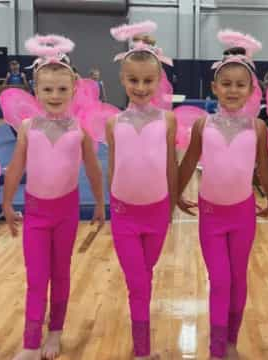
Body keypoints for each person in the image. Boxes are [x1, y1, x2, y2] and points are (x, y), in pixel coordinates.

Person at [3, 34, 104, 360]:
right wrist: (6, 202)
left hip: (65, 212)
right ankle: (31, 342)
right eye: (48, 89)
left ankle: (55, 333)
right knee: (36, 277)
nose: (55, 95)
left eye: (62, 89)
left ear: (74, 90)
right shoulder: (28, 128)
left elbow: (93, 171)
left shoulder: (80, 130)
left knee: (60, 273)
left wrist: (100, 204)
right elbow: (16, 169)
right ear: (37, 92)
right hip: (35, 212)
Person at [177, 29, 268, 359]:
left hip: (242, 214)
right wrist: (176, 193)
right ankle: (216, 347)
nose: (233, 90)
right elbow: (189, 161)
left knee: (238, 280)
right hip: (212, 215)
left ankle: (231, 339)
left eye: (240, 84)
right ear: (215, 87)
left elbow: (264, 167)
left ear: (250, 90)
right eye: (226, 84)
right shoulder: (204, 126)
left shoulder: (258, 128)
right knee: (220, 280)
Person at [106, 20, 177, 360]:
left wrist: (172, 207)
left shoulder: (168, 120)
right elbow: (114, 165)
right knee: (137, 282)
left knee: (145, 278)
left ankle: (142, 342)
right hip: (124, 214)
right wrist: (108, 207)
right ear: (122, 80)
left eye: (148, 80)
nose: (140, 86)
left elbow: (170, 166)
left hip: (156, 212)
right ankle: (142, 352)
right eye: (133, 80)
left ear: (158, 81)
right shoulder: (113, 123)